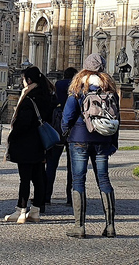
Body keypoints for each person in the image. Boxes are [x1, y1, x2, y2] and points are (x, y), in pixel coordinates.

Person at [62, 53, 119, 238]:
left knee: (78, 180)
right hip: (103, 139)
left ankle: (80, 227)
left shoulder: (79, 87)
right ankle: (110, 226)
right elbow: (117, 119)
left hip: (80, 138)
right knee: (104, 180)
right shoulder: (109, 89)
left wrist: (65, 131)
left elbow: (68, 114)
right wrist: (113, 142)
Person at [4, 66, 54, 223]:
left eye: (23, 79)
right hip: (40, 142)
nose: (22, 82)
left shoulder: (29, 97)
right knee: (38, 177)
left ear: (29, 80)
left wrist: (13, 136)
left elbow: (23, 123)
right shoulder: (46, 95)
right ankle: (36, 210)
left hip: (26, 143)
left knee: (24, 178)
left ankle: (20, 210)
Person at [46, 66, 77, 206]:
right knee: (73, 166)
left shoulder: (58, 85)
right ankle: (71, 198)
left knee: (52, 164)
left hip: (58, 128)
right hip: (74, 130)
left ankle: (46, 196)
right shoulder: (78, 87)